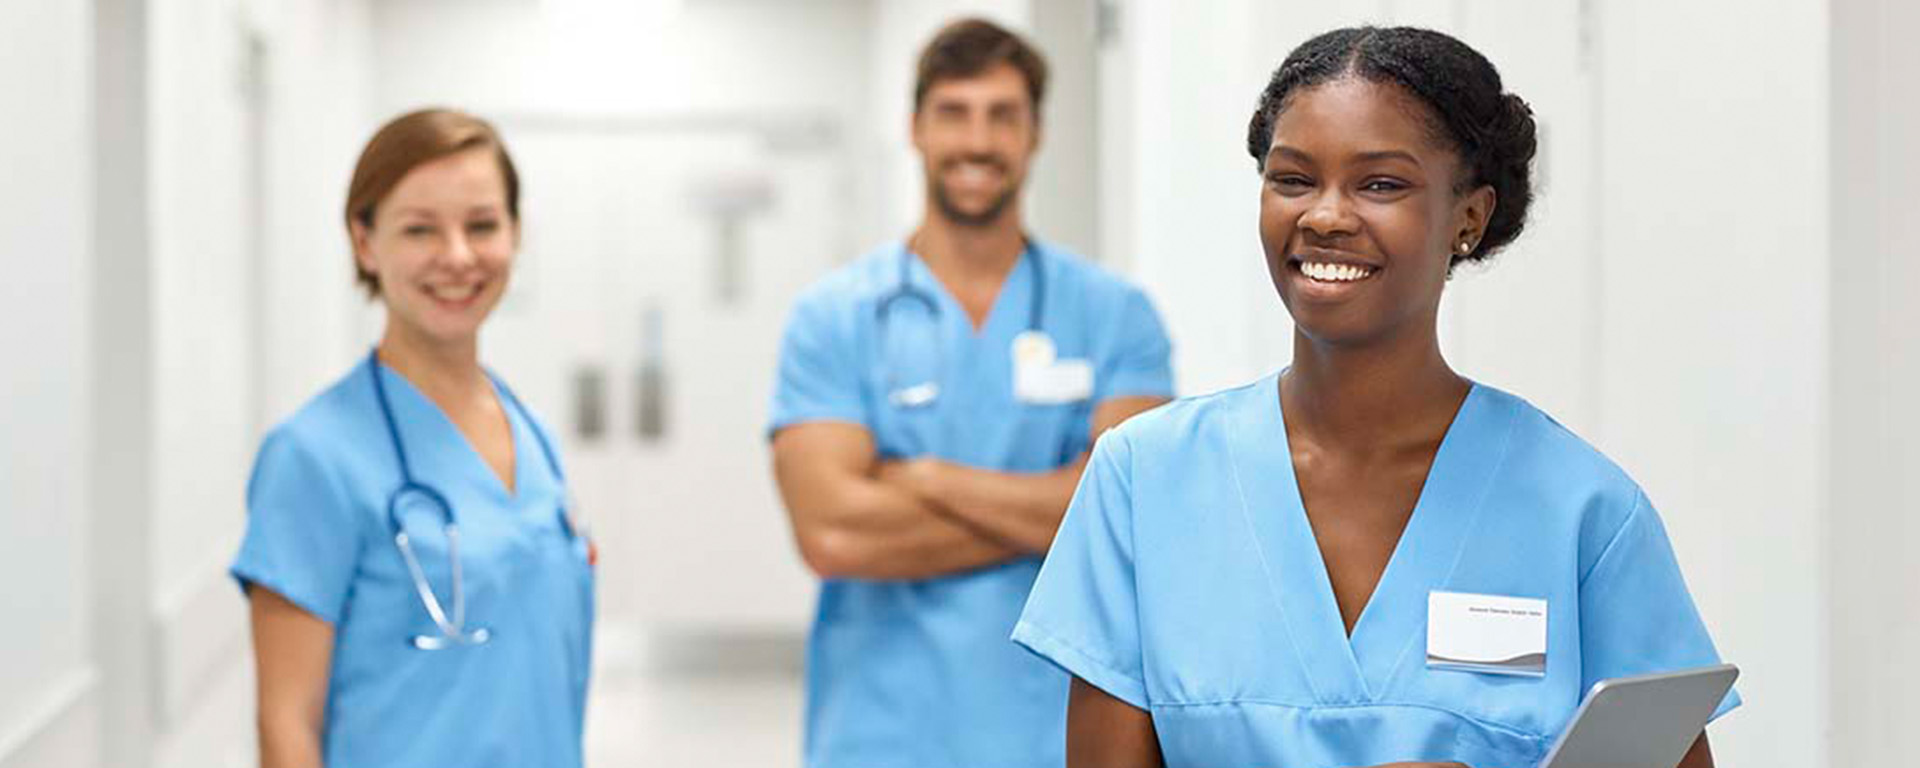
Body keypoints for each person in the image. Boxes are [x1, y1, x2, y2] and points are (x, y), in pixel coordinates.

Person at [1014, 26, 1739, 768]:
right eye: (1292, 179)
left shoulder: (1584, 512)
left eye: (1381, 184)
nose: (1325, 215)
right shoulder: (1144, 481)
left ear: (1469, 216)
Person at [767, 17, 1175, 768]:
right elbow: (833, 533)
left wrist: (923, 479)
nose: (978, 143)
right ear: (915, 128)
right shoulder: (834, 318)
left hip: (1056, 727)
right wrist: (1057, 510)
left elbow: (1131, 519)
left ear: (1036, 133)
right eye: (953, 113)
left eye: (1002, 115)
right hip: (880, 730)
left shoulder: (1114, 314)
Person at [232, 108, 593, 768]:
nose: (457, 256)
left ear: (515, 233)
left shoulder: (533, 434)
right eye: (420, 229)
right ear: (365, 242)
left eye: (482, 225)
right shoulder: (312, 457)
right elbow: (287, 725)